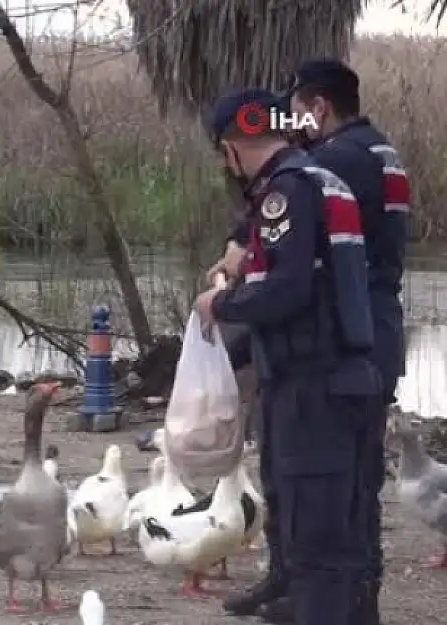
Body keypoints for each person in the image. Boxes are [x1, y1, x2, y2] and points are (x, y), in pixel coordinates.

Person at [219, 60, 410, 625]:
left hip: (337, 338)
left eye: (297, 111)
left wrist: (235, 256)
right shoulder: (378, 151)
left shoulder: (326, 164)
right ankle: (313, 590)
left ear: (318, 106)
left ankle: (325, 597)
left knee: (323, 490)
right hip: (374, 325)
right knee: (345, 486)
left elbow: (286, 202)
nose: (294, 127)